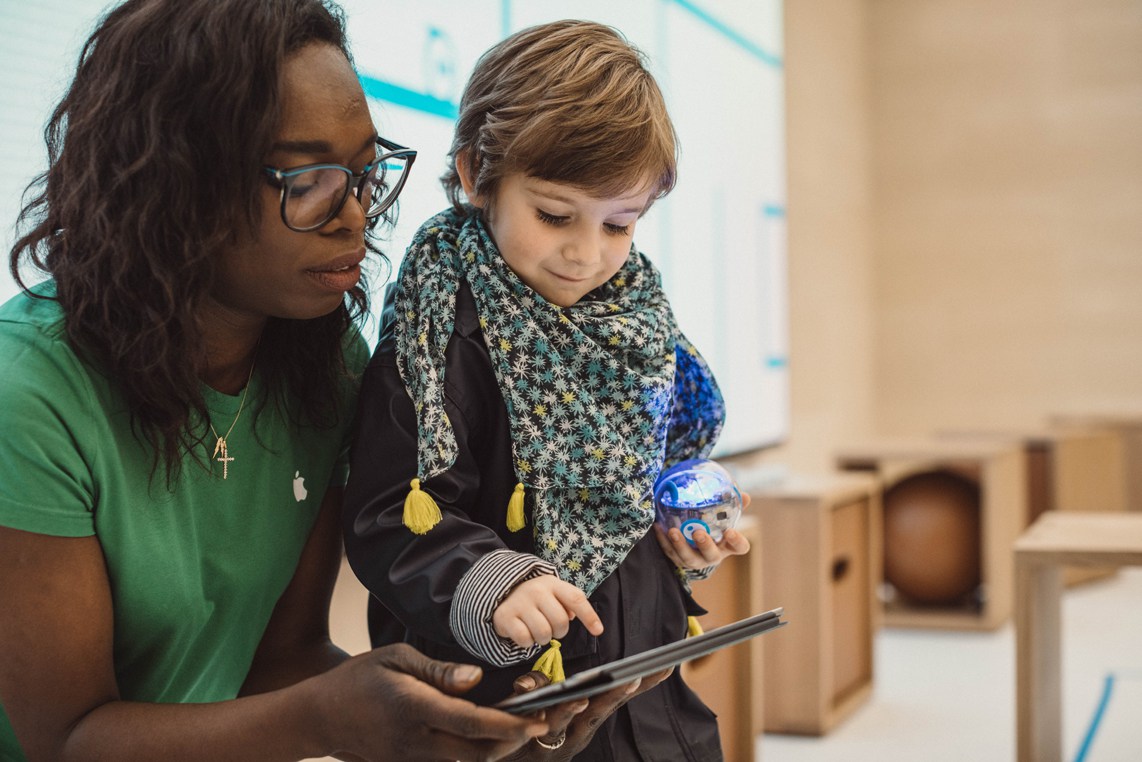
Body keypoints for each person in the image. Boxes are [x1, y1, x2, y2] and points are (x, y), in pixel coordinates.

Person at [0, 2, 666, 759]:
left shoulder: (328, 363)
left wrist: (460, 712)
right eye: (310, 179)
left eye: (362, 173)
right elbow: (64, 739)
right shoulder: (28, 394)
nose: (357, 216)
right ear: (173, 179)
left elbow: (280, 663)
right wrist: (327, 719)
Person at [343, 20, 752, 760]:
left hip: (647, 701)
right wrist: (494, 585)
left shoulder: (635, 318)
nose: (586, 253)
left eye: (621, 224)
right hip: (508, 711)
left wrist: (676, 538)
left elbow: (628, 495)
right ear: (475, 173)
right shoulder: (444, 332)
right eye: (555, 215)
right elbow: (388, 517)